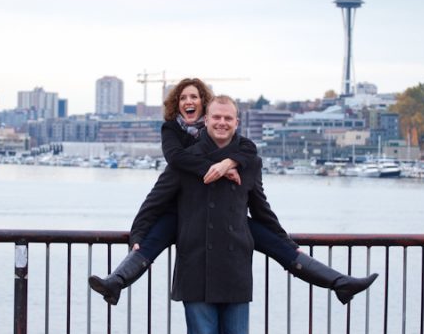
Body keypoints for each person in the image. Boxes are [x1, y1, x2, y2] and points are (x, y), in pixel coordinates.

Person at [88, 78, 377, 306]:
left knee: (281, 247)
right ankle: (116, 282)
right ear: (179, 105)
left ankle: (340, 283)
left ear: (206, 107)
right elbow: (162, 188)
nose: (190, 102)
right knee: (148, 244)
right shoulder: (173, 134)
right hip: (182, 215)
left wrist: (230, 161)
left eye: (195, 97)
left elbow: (252, 165)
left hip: (228, 219)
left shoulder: (236, 144)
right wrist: (137, 233)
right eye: (183, 98)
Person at [131, 95, 266, 334]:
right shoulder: (185, 160)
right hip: (195, 264)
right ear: (206, 120)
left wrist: (285, 240)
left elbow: (261, 209)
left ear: (237, 123)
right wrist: (138, 235)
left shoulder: (249, 161)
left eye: (229, 119)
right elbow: (156, 200)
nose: (222, 123)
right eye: (217, 117)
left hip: (236, 264)